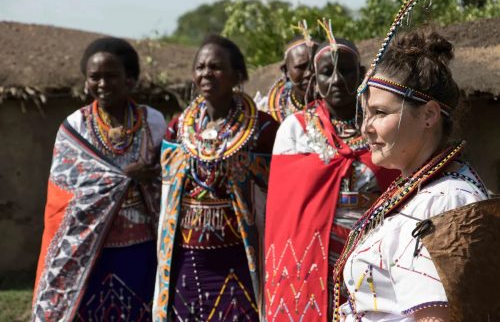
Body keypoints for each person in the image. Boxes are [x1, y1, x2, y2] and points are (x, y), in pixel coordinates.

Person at [333, 31, 489, 322]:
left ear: (429, 115)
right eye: (365, 114)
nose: (365, 127)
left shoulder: (447, 201)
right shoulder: (414, 193)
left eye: (379, 112)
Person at [264, 24, 399, 322]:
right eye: (326, 72)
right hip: (312, 258)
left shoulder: (382, 127)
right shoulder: (295, 129)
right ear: (315, 77)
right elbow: (285, 214)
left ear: (362, 72)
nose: (337, 80)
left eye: (347, 71)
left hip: (373, 253)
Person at [32, 37, 166, 322]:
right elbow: (64, 196)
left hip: (142, 252)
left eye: (111, 76)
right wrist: (124, 178)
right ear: (86, 81)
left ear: (130, 80)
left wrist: (152, 179)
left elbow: (168, 176)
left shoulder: (153, 122)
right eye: (95, 77)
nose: (103, 84)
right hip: (89, 254)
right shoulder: (74, 128)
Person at [153, 34, 279, 322]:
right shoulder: (177, 130)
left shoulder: (262, 130)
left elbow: (275, 190)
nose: (206, 73)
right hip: (188, 260)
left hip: (239, 260)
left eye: (216, 67)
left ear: (237, 75)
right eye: (200, 66)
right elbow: (168, 194)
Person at [255, 32, 319, 123]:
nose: (310, 73)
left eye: (316, 65)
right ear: (286, 71)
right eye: (301, 67)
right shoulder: (268, 118)